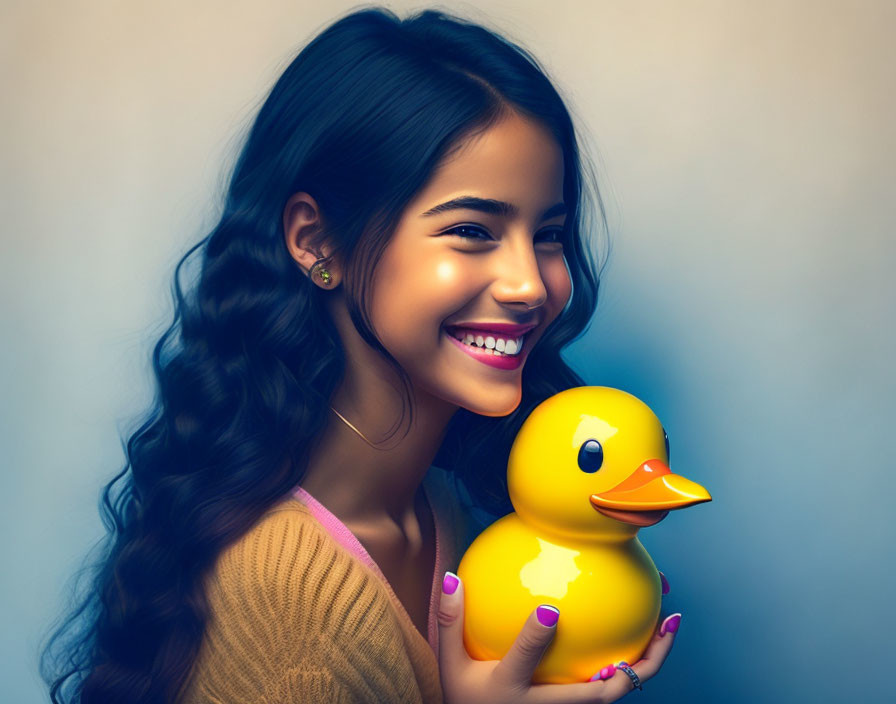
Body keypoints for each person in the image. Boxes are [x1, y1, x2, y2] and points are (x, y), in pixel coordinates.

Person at [40, 6, 680, 703]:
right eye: (472, 230)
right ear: (318, 243)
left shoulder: (436, 508)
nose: (531, 285)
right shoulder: (287, 599)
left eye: (548, 234)